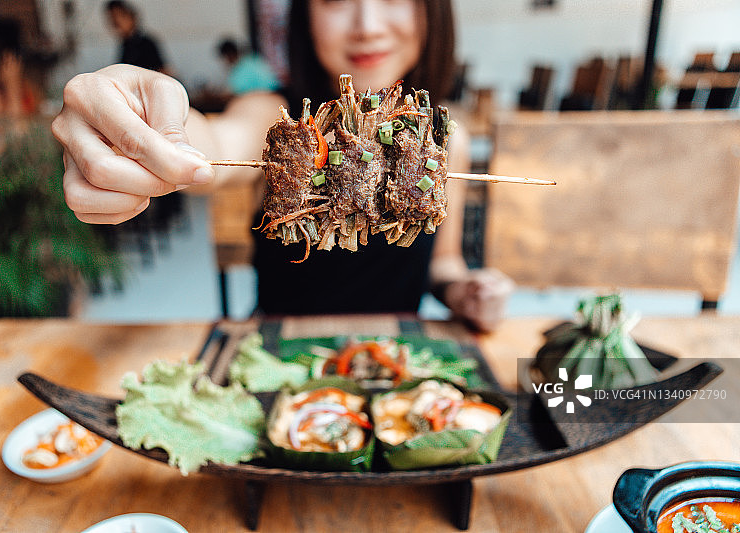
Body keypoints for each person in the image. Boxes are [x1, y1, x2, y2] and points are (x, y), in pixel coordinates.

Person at [52, 0, 513, 331]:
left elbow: (444, 265)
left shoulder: (445, 141)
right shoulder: (276, 119)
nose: (367, 24)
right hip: (280, 357)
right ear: (303, 14)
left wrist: (464, 292)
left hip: (396, 357)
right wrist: (144, 119)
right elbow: (212, 140)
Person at [104, 0, 170, 74]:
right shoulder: (126, 45)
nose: (116, 22)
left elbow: (164, 71)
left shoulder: (146, 44)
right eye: (112, 19)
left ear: (131, 17)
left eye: (120, 17)